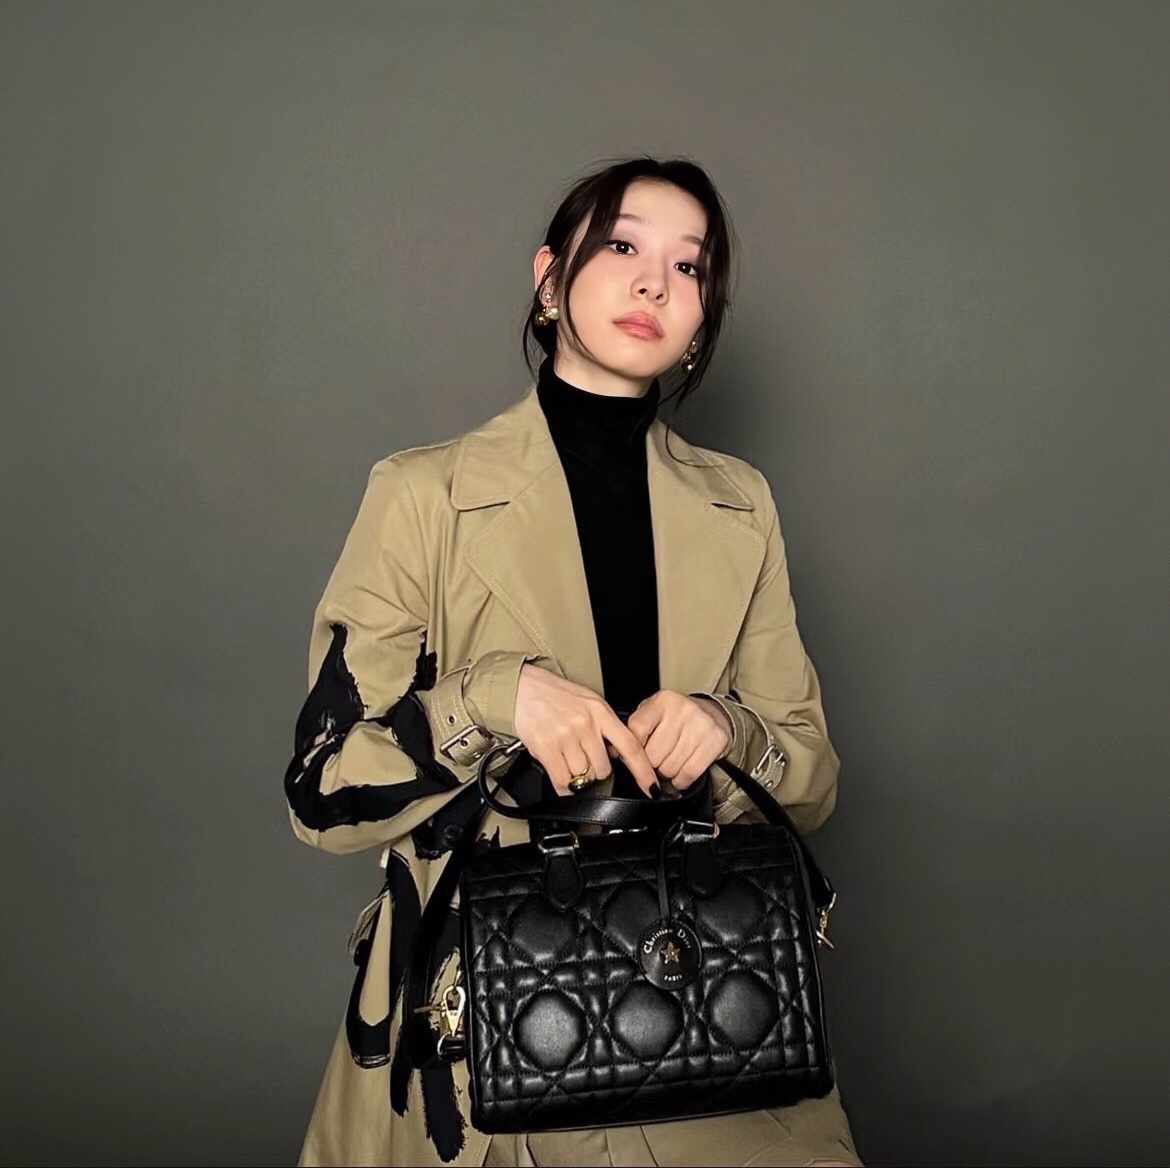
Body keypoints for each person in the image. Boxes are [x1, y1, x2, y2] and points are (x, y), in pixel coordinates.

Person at [283, 155, 861, 1168]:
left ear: (701, 320)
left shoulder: (740, 504)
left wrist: (728, 729)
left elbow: (809, 780)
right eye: (623, 245)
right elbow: (323, 792)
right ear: (549, 280)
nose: (654, 283)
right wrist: (492, 700)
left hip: (705, 993)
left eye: (689, 266)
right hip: (481, 1017)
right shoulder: (424, 495)